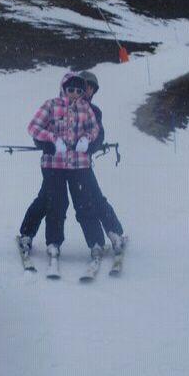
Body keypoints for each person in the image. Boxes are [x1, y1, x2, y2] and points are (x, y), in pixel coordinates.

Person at [19, 72, 105, 262]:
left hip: (78, 165)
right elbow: (34, 127)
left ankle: (96, 243)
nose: (74, 94)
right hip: (54, 165)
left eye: (79, 91)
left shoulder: (86, 108)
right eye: (70, 89)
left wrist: (86, 140)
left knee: (85, 203)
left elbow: (95, 129)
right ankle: (52, 242)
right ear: (63, 89)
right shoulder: (52, 105)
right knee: (55, 203)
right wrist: (51, 140)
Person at [78, 71, 127, 255]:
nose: (87, 90)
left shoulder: (94, 111)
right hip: (58, 165)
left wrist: (88, 148)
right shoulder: (65, 106)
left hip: (82, 164)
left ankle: (114, 233)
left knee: (96, 198)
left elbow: (99, 135)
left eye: (91, 87)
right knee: (50, 200)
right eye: (84, 85)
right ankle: (28, 234)